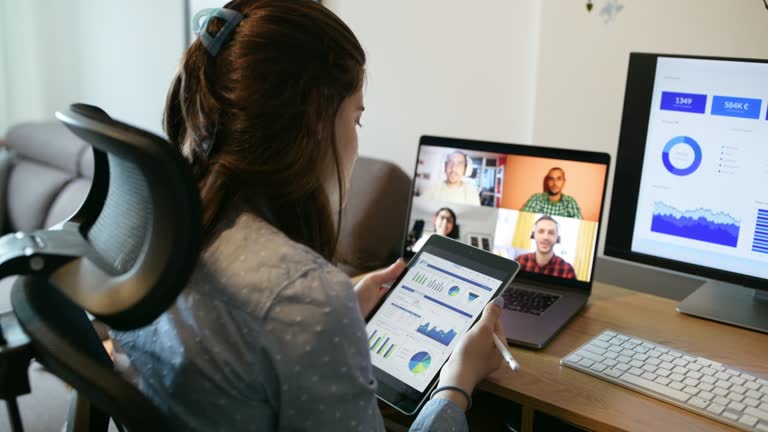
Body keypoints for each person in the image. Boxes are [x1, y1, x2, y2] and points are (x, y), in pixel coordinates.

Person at [110, 2, 507, 431]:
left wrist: (338, 315)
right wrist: (457, 384)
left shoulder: (150, 224)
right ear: (318, 116)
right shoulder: (302, 293)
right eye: (357, 119)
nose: (356, 140)